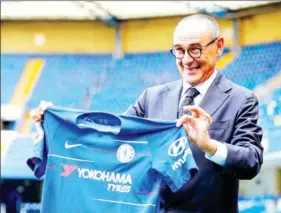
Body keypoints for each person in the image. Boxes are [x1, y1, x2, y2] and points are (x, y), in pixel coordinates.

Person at [31, 14, 263, 213]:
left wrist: (209, 145)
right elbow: (113, 136)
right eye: (179, 51)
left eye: (195, 50)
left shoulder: (241, 99)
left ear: (219, 45)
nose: (187, 60)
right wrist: (59, 121)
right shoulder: (152, 97)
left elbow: (251, 161)